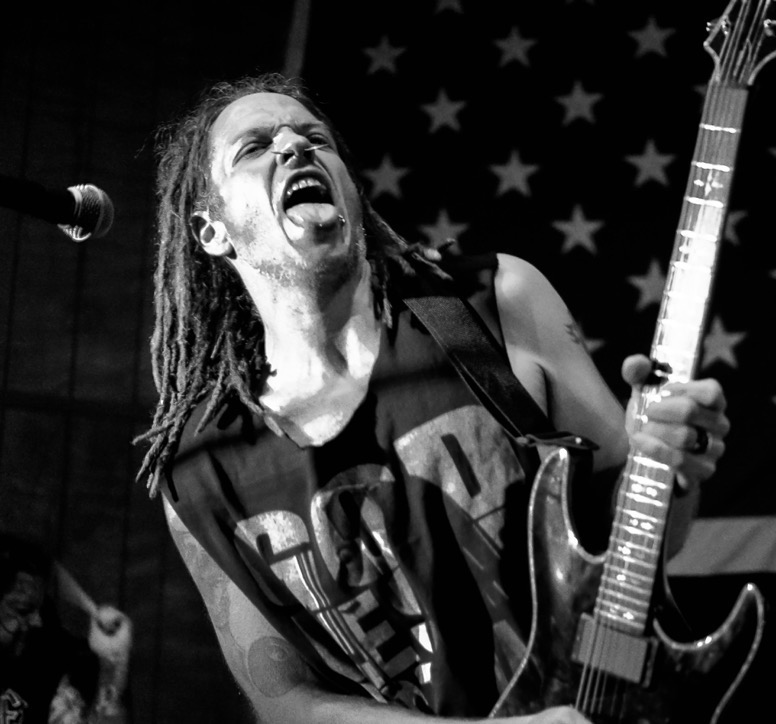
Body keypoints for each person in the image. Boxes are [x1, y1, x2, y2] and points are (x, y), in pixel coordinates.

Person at [138, 73, 729, 723]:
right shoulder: (201, 470)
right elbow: (285, 702)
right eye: (254, 147)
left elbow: (643, 549)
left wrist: (668, 468)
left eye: (314, 138)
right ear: (212, 231)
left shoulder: (493, 304)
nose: (293, 147)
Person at [0, 534, 132, 724]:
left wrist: (113, 667)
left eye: (39, 609)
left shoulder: (52, 659)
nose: (36, 621)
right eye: (22, 610)